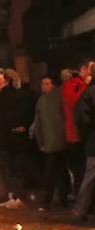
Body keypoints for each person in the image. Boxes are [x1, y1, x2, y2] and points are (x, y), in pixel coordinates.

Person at [0, 69, 34, 209]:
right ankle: (15, 195)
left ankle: (16, 196)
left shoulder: (3, 98)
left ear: (7, 81)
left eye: (0, 80)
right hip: (12, 139)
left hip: (9, 140)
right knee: (12, 168)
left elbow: (4, 118)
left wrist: (22, 126)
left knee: (12, 168)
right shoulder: (14, 96)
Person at [31, 77, 69, 211]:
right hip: (52, 141)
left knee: (54, 171)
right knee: (57, 170)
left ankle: (52, 198)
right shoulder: (42, 100)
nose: (44, 86)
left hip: (56, 141)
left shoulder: (54, 99)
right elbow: (38, 122)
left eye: (47, 83)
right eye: (43, 84)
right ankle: (59, 198)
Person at [63, 62, 90, 195]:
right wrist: (86, 86)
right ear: (83, 69)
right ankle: (81, 198)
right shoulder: (71, 85)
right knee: (80, 170)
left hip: (85, 133)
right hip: (76, 134)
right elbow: (74, 103)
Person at [73, 63, 95, 221]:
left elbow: (81, 117)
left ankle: (81, 209)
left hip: (93, 140)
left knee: (90, 176)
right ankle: (81, 209)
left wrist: (85, 134)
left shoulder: (89, 93)